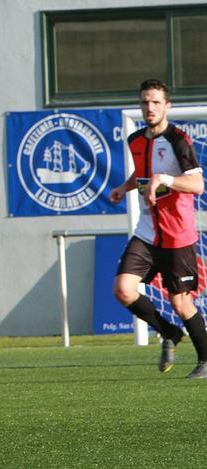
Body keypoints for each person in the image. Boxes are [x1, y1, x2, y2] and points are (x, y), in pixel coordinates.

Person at [109, 79, 207, 379]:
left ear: (167, 106)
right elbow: (141, 173)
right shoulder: (136, 140)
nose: (149, 107)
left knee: (180, 302)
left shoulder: (179, 140)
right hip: (147, 232)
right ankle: (170, 333)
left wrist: (165, 179)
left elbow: (198, 184)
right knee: (123, 289)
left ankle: (205, 360)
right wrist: (124, 188)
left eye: (155, 102)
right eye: (144, 102)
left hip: (177, 235)